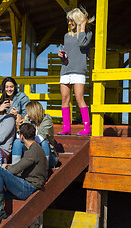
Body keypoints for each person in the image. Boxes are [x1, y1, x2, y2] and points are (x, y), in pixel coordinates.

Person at [57, 7, 94, 136]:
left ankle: (86, 128)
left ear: (78, 20)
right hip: (66, 70)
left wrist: (82, 28)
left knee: (79, 98)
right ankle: (66, 128)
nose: (69, 23)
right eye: (68, 21)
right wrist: (62, 56)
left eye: (71, 20)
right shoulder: (66, 36)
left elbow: (82, 44)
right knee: (64, 99)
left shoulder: (87, 34)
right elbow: (69, 55)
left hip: (79, 71)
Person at [12, 101, 59, 170]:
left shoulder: (47, 120)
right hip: (32, 152)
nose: (27, 115)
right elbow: (19, 135)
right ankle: (15, 169)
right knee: (17, 142)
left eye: (28, 112)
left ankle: (44, 172)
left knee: (44, 143)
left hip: (47, 155)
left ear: (34, 112)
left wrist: (26, 138)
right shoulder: (29, 120)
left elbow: (40, 138)